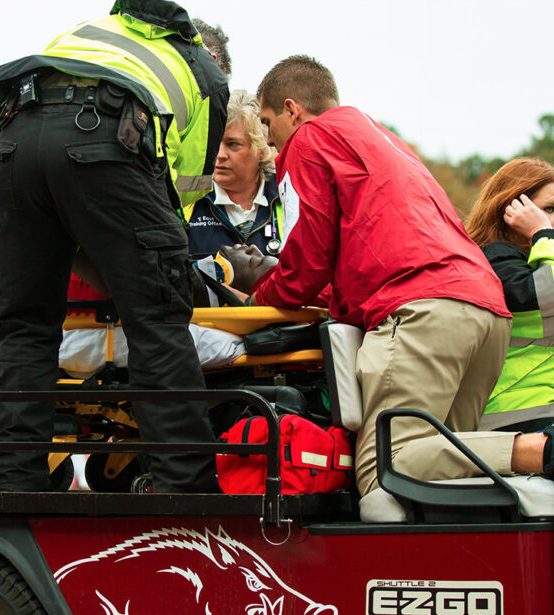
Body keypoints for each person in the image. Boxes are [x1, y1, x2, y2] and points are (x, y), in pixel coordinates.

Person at [235, 54, 551, 496]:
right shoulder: (385, 141)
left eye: (267, 125)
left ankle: (540, 450)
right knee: (446, 479)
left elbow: (304, 263)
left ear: (292, 110)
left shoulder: (309, 140)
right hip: (484, 310)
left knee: (388, 470)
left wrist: (256, 298)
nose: (270, 143)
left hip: (422, 308)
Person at [0, 1, 229, 492]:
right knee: (157, 322)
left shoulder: (91, 30)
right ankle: (188, 487)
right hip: (105, 142)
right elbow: (186, 186)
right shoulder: (203, 72)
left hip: (14, 146)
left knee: (24, 323)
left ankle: (15, 483)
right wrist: (163, 268)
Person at [465, 158, 554, 433]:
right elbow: (546, 294)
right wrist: (543, 233)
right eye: (549, 209)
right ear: (511, 210)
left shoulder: (540, 258)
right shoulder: (495, 261)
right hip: (516, 414)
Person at [186, 90, 283, 260]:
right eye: (216, 142)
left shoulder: (286, 196)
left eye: (233, 144)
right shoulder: (188, 199)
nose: (220, 154)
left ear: (261, 148)